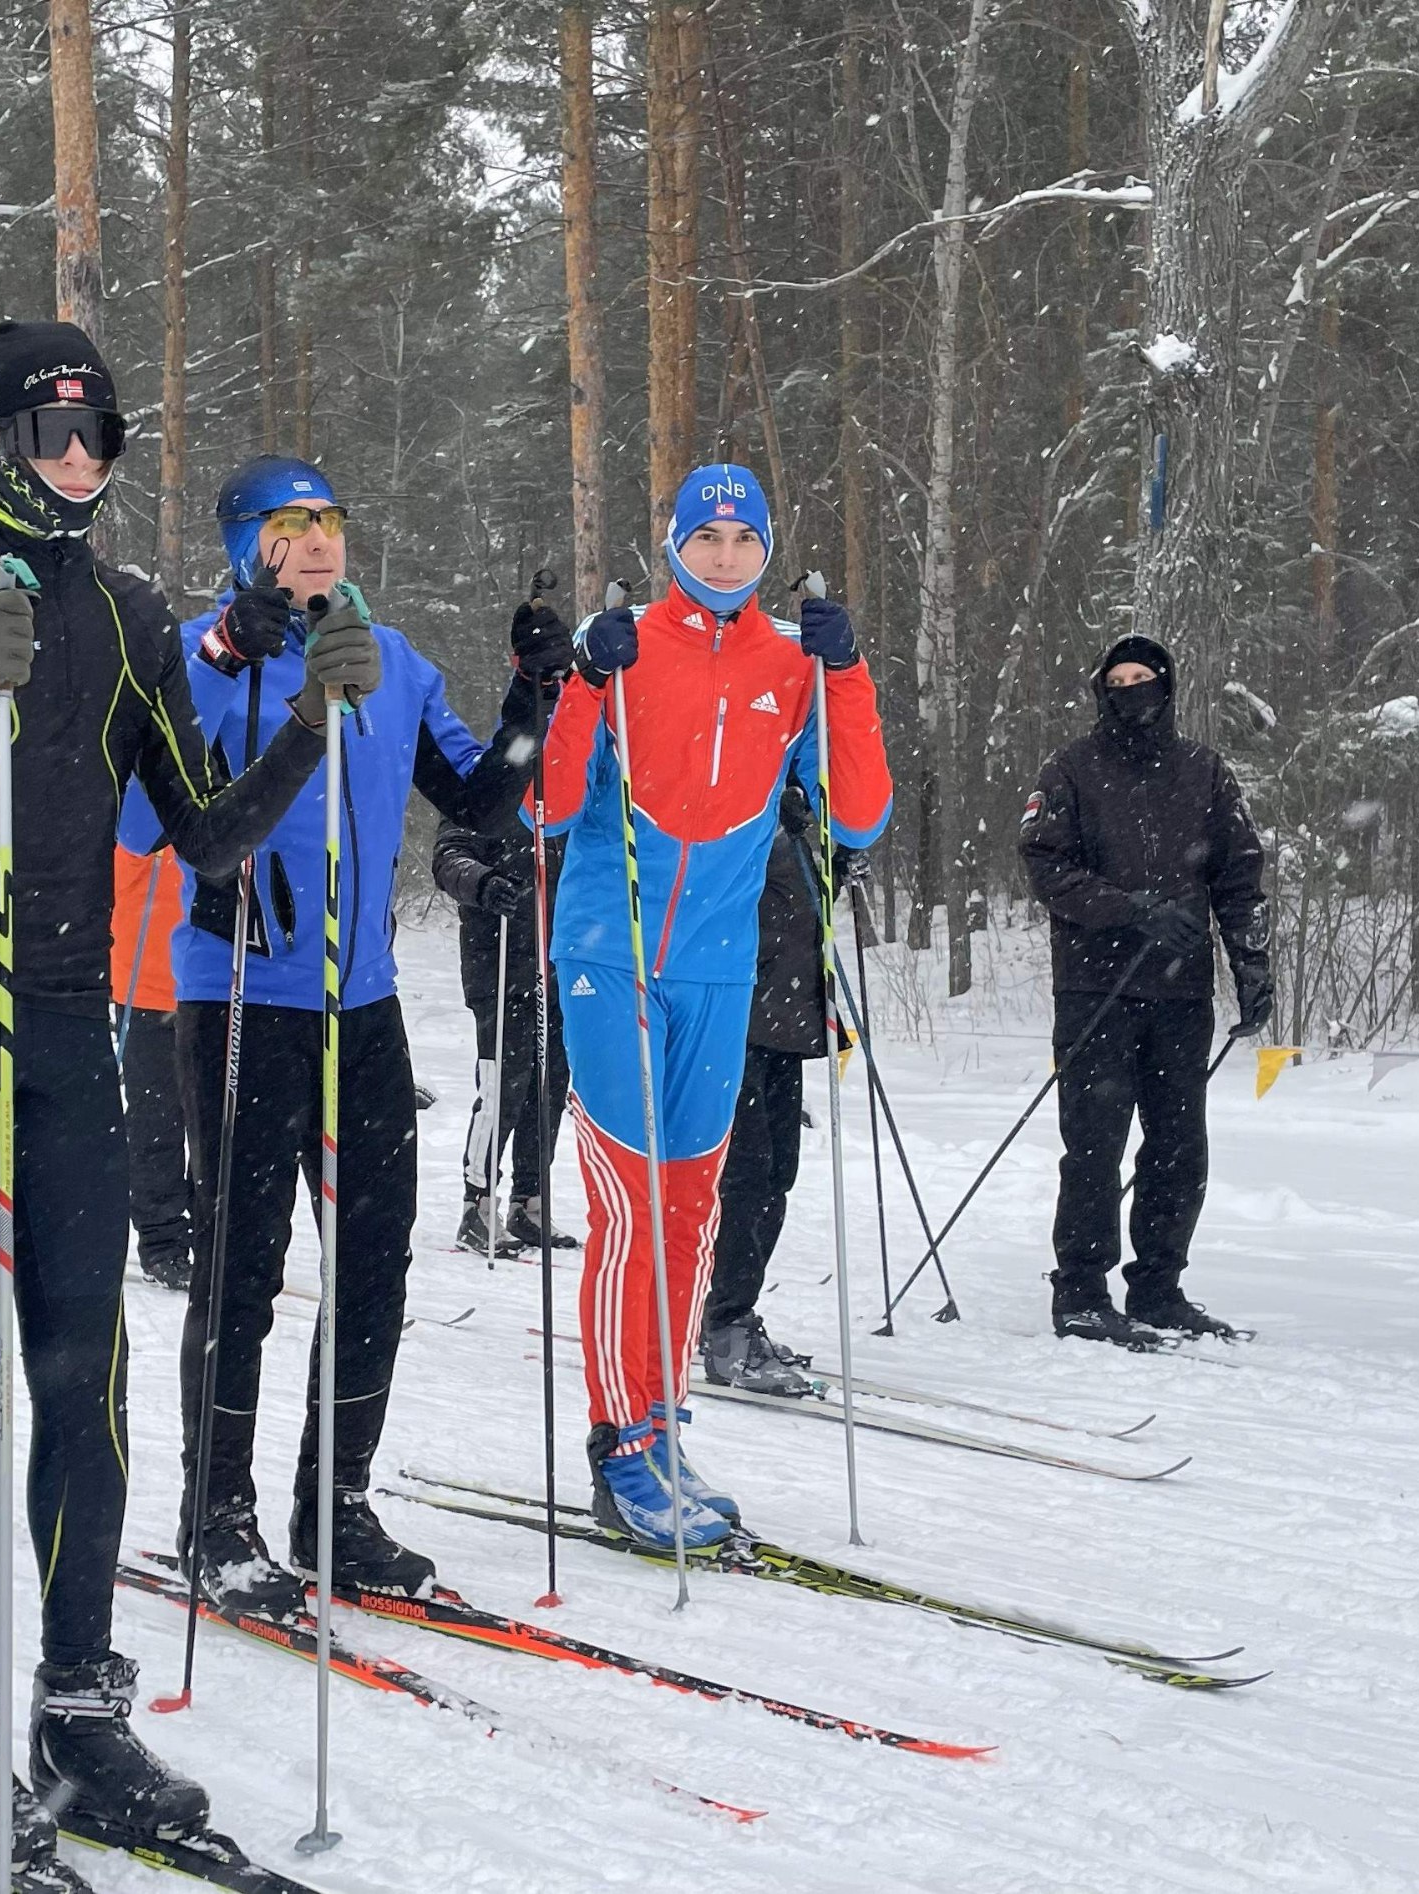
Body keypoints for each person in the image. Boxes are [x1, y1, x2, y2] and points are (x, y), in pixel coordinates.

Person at [0, 320, 361, 1881]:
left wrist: (311, 724)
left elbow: (205, 834)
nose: (86, 459)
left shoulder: (128, 614)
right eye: (56, 433)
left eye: (106, 433)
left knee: (84, 1367)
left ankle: (81, 1709)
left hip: (62, 1019)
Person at [144, 453, 564, 1618]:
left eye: (329, 517)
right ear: (245, 545)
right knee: (241, 1266)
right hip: (241, 997)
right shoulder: (198, 658)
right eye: (289, 522)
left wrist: (534, 694)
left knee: (374, 1261)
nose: (319, 537)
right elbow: (149, 821)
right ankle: (215, 1516)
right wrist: (232, 656)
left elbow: (482, 797)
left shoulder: (394, 659)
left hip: (360, 1006)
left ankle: (335, 1505)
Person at [542, 463, 892, 1550]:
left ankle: (660, 1422)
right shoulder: (623, 641)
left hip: (719, 966)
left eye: (745, 539)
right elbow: (545, 802)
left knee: (690, 1208)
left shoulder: (794, 660)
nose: (726, 556)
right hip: (610, 947)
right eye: (707, 537)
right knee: (631, 1202)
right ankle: (618, 1446)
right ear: (674, 546)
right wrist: (584, 684)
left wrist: (848, 675)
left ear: (768, 551)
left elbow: (862, 816)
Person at [1018, 634, 1272, 1349]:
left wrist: (1251, 964)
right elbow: (1045, 867)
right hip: (1095, 988)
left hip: (1181, 994)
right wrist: (1129, 910)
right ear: (1101, 691)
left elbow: (1239, 874)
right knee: (1094, 1145)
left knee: (1178, 1147)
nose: (1131, 691)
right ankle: (1080, 1292)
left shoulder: (1205, 771)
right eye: (1118, 680)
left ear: (1167, 685)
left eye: (1143, 678)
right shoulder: (1070, 770)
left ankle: (1159, 1288)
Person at [698, 784, 856, 1398]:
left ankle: (731, 1313)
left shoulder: (795, 818)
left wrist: (832, 866)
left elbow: (793, 916)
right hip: (732, 1020)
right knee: (742, 1176)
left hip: (784, 1023)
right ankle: (723, 1322)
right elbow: (719, 900)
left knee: (774, 1177)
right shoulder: (733, 800)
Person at [430, 808, 572, 1256]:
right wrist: (484, 882)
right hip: (500, 969)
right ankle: (477, 1205)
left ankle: (528, 1201)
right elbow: (448, 856)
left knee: (548, 1089)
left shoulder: (563, 797)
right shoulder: (484, 793)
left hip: (557, 968)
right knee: (502, 1090)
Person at [110, 810, 191, 1290]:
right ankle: (162, 1243)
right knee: (156, 1121)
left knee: (218, 1125)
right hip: (147, 990)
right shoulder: (133, 809)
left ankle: (212, 1234)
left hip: (213, 989)